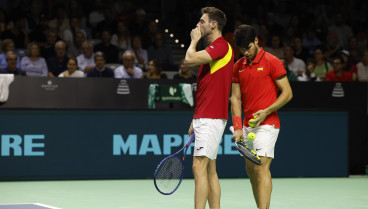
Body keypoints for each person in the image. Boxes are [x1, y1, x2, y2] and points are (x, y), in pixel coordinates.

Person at [231, 24, 292, 209]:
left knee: (260, 167)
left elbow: (287, 93)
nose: (246, 53)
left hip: (268, 123)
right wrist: (238, 127)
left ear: (256, 41)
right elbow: (235, 98)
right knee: (251, 171)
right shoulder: (237, 66)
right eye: (242, 50)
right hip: (247, 126)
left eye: (248, 48)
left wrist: (266, 111)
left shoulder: (272, 61)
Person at [184, 7, 233, 209]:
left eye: (202, 21)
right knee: (210, 169)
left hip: (211, 117)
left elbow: (188, 60)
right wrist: (195, 119)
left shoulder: (220, 46)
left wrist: (193, 40)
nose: (198, 25)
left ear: (213, 24)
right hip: (206, 116)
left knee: (198, 166)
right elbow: (206, 89)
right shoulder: (213, 51)